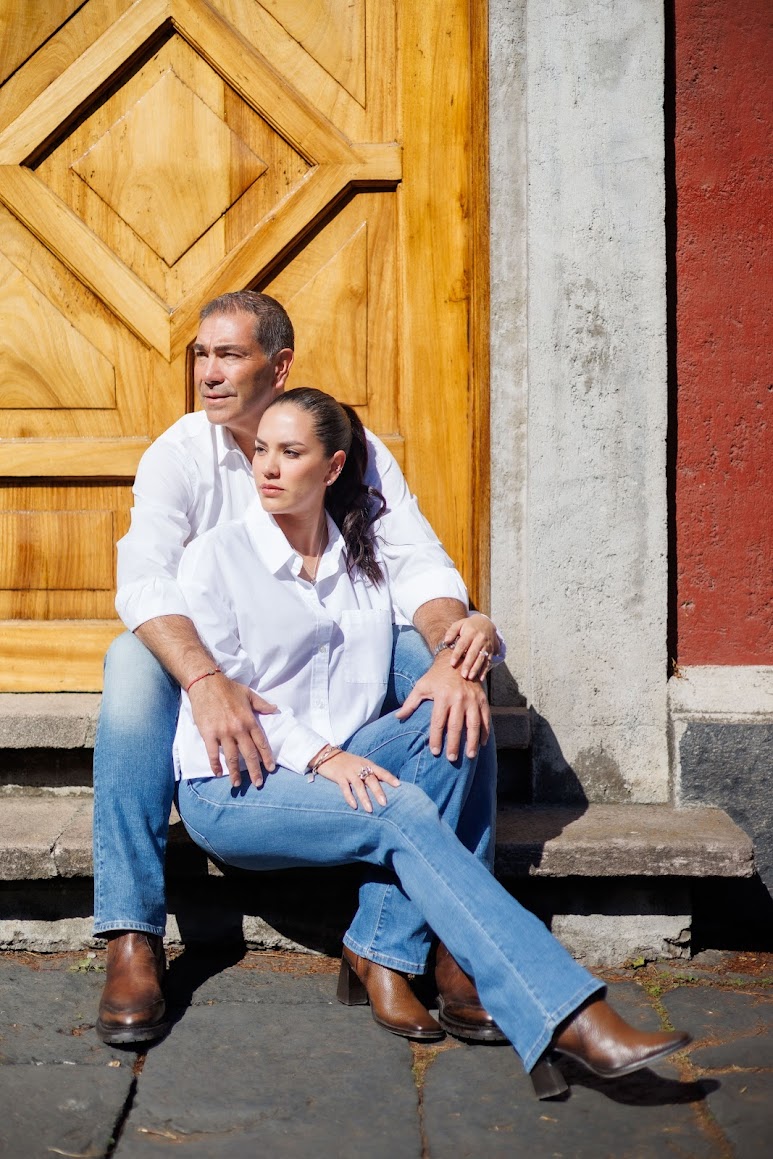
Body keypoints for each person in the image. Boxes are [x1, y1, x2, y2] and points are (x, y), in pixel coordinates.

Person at [171, 387, 691, 1099]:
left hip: (341, 763)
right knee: (400, 810)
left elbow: (431, 593)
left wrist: (473, 633)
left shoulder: (362, 560)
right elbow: (232, 697)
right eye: (261, 449)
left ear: (333, 467)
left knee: (455, 712)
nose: (267, 466)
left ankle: (382, 945)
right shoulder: (215, 557)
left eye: (290, 452)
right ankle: (565, 1011)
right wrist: (324, 757)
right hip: (237, 780)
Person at [94, 292, 503, 1046]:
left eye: (229, 355)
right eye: (201, 355)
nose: (208, 374)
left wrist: (455, 651)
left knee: (446, 673)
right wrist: (206, 681)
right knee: (131, 660)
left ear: (279, 367)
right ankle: (130, 933)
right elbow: (144, 581)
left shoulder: (346, 445)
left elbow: (415, 561)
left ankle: (446, 937)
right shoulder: (179, 455)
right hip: (215, 670)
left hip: (323, 670)